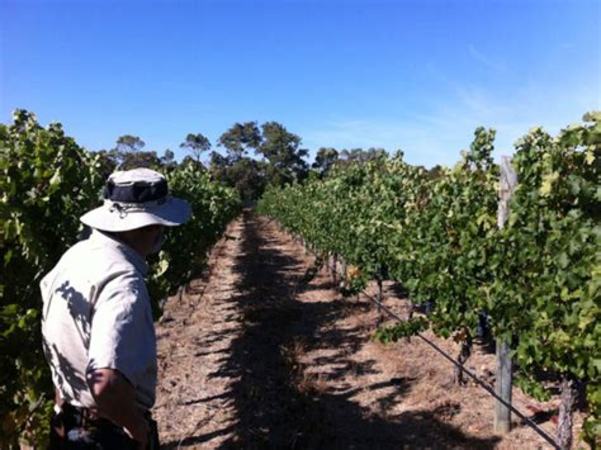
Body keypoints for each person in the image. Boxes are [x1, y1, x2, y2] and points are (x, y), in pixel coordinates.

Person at [40, 168, 191, 449]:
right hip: (106, 433)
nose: (161, 236)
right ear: (147, 227)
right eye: (160, 226)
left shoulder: (74, 256)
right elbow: (105, 383)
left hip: (68, 422)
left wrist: (62, 403)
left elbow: (60, 336)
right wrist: (136, 429)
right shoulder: (124, 281)